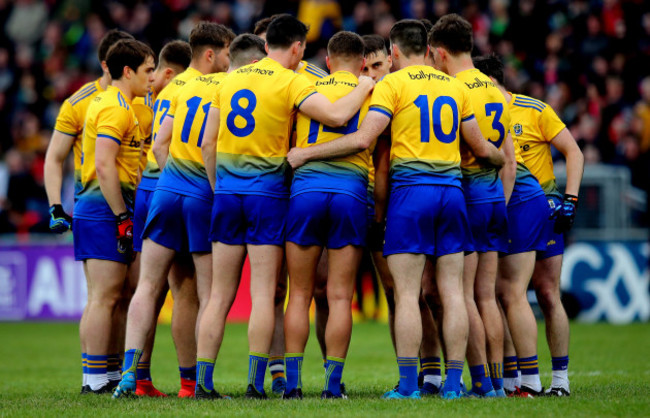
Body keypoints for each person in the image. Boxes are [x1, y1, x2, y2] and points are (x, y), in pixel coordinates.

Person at [286, 19, 504, 400]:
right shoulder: (455, 86)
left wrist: (307, 153)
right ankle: (455, 385)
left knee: (406, 295)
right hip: (452, 193)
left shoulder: (392, 84)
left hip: (410, 194)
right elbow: (483, 148)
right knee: (453, 292)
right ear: (430, 50)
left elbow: (365, 138)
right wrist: (503, 158)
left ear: (396, 52)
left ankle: (408, 386)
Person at [194, 14, 373, 400]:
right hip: (267, 197)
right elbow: (340, 116)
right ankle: (256, 384)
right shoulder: (291, 80)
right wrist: (364, 85)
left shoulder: (228, 80)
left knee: (219, 296)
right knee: (262, 294)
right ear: (296, 48)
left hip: (226, 194)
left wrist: (219, 186)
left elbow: (207, 144)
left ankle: (202, 384)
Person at [112, 22, 234, 399]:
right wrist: (211, 189)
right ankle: (196, 384)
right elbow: (212, 145)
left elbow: (160, 144)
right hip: (201, 194)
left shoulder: (175, 86)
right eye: (227, 54)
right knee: (202, 295)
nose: (230, 62)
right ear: (212, 53)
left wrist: (174, 177)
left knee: (147, 287)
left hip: (163, 189)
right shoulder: (225, 87)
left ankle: (130, 376)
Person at [474, 53, 584, 397]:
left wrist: (570, 199)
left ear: (490, 82)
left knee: (548, 293)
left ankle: (560, 381)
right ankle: (515, 378)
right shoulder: (479, 113)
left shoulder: (533, 109)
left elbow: (574, 152)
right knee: (503, 293)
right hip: (505, 205)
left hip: (542, 206)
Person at [44, 29, 134, 394]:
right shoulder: (80, 102)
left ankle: (113, 374)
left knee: (125, 295)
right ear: (106, 65)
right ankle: (93, 379)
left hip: (131, 203)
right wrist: (55, 206)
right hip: (97, 204)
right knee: (103, 294)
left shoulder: (140, 97)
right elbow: (54, 157)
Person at [428, 13, 514, 397]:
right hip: (494, 195)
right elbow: (506, 157)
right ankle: (496, 382)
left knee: (463, 296)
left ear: (440, 53)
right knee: (486, 296)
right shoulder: (497, 90)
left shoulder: (453, 88)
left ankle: (478, 380)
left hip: (467, 195)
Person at [283, 31, 371, 400]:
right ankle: (333, 387)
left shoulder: (304, 86)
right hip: (351, 192)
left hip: (305, 192)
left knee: (299, 294)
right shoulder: (374, 90)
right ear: (363, 62)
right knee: (338, 296)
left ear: (330, 62)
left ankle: (291, 385)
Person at [72, 38, 155, 394]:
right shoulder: (114, 109)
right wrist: (121, 215)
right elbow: (104, 166)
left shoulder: (120, 104)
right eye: (148, 70)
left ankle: (102, 374)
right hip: (103, 209)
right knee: (104, 296)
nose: (151, 78)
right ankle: (93, 380)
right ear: (127, 71)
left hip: (103, 208)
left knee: (112, 294)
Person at [253, 16, 328, 394]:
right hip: (271, 188)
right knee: (277, 290)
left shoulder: (311, 76)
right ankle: (278, 371)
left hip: (302, 188)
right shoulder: (253, 73)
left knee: (319, 289)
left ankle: (332, 376)